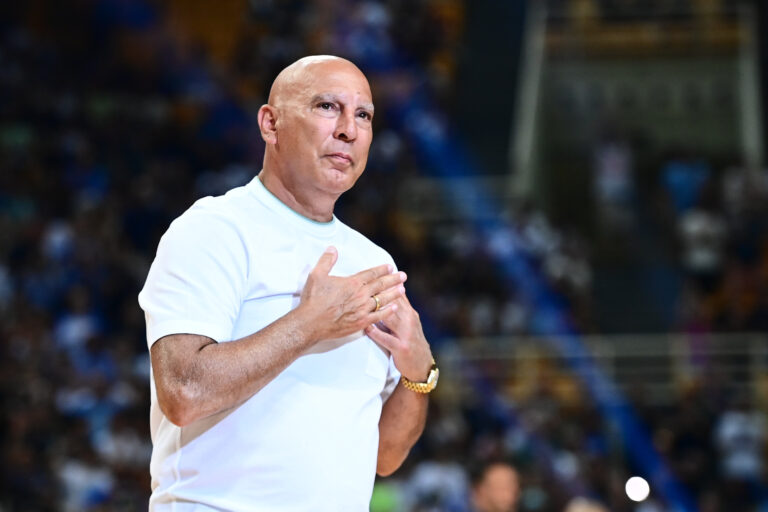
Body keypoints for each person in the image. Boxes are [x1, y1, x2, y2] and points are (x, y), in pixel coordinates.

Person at [138, 55, 438, 511]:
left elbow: (385, 456)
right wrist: (309, 324)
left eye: (363, 115)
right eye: (327, 107)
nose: (348, 130)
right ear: (270, 124)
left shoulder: (375, 263)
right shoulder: (215, 229)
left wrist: (419, 373)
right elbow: (184, 392)